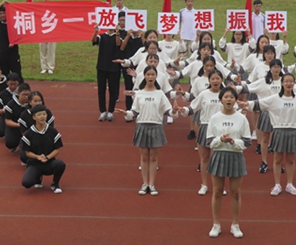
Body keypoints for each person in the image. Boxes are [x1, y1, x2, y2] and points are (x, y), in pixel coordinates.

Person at [240, 73, 296, 196]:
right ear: (282, 83)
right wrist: (247, 104)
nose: (289, 84)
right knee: (277, 159)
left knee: (291, 160)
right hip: (278, 130)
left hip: (293, 131)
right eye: (286, 81)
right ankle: (277, 185)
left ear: (294, 83)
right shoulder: (274, 98)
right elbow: (259, 103)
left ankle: (290, 184)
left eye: (291, 81)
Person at [115, 65, 175, 196]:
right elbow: (134, 111)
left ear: (156, 76)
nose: (151, 77)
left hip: (156, 126)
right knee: (143, 156)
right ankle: (144, 183)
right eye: (148, 75)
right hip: (142, 126)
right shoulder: (139, 93)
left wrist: (174, 111)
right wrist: (126, 113)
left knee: (153, 157)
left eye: (153, 75)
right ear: (145, 77)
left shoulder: (160, 94)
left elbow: (168, 111)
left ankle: (152, 184)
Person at [206, 86, 251, 239]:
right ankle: (216, 224)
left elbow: (247, 141)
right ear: (221, 100)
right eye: (226, 97)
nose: (229, 99)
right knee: (217, 191)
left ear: (235, 100)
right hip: (219, 156)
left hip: (236, 156)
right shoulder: (214, 118)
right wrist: (221, 140)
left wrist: (233, 142)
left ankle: (235, 224)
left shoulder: (242, 118)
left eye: (232, 97)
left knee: (236, 192)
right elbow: (209, 140)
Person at [177, 70, 225, 195]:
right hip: (205, 128)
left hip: (221, 130)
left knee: (218, 158)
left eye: (218, 79)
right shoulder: (204, 94)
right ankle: (204, 184)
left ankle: (218, 186)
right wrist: (183, 110)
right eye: (213, 79)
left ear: (222, 80)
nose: (215, 81)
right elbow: (192, 108)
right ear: (209, 81)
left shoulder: (226, 94)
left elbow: (234, 109)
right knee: (204, 158)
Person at [21, 104, 66, 194]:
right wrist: (38, 157)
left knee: (60, 164)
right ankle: (38, 178)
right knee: (26, 183)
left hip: (49, 163)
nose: (42, 117)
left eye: (44, 114)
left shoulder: (52, 131)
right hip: (34, 164)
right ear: (34, 117)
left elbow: (57, 149)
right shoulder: (29, 133)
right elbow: (27, 153)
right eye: (39, 115)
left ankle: (55, 184)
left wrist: (47, 157)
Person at [92, 23, 122, 122]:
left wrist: (117, 33)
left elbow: (118, 44)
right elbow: (93, 40)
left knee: (113, 91)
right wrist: (96, 30)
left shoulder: (118, 36)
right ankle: (102, 111)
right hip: (102, 66)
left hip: (114, 67)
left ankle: (110, 111)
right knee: (101, 90)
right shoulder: (102, 36)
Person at [0, 1, 22, 81]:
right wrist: (2, 3)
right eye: (0, 13)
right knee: (4, 74)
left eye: (4, 13)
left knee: (17, 73)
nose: (2, 15)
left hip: (13, 52)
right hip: (2, 52)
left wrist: (13, 42)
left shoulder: (14, 23)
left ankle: (21, 90)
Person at [4, 83, 31, 153]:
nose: (26, 97)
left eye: (28, 95)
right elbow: (7, 121)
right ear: (18, 94)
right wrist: (19, 125)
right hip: (16, 126)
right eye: (24, 95)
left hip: (29, 127)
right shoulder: (11, 104)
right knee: (10, 143)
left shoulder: (32, 103)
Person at [39, 0, 56, 74]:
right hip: (42, 32)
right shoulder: (40, 8)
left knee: (51, 50)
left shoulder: (54, 7)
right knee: (42, 50)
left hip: (52, 31)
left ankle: (50, 67)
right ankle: (44, 67)